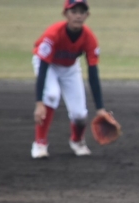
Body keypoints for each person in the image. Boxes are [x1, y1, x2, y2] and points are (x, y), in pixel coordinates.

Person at [31, 0, 107, 159]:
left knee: (80, 114)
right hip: (47, 65)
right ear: (65, 14)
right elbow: (43, 67)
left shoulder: (89, 37)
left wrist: (100, 108)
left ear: (87, 15)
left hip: (70, 68)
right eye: (74, 12)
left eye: (82, 12)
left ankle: (77, 141)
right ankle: (40, 143)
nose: (78, 16)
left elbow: (93, 73)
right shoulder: (53, 34)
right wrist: (39, 103)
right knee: (51, 95)